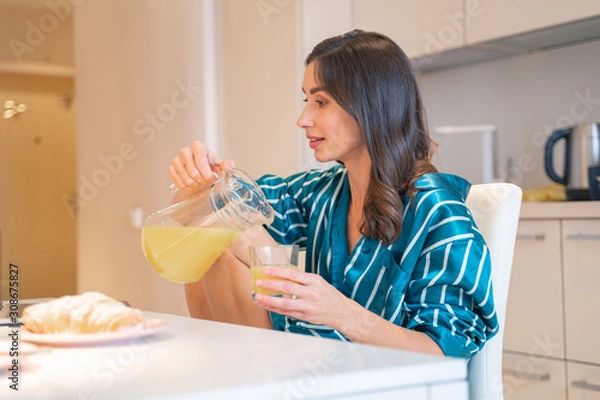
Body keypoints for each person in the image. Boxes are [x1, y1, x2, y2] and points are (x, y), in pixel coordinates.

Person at [168, 30, 498, 359]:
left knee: (230, 233)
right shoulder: (319, 193)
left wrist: (342, 312)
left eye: (321, 102)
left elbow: (450, 353)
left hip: (391, 385)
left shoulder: (438, 212)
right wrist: (201, 178)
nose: (303, 119)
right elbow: (209, 216)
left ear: (372, 104)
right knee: (220, 233)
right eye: (306, 101)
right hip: (307, 373)